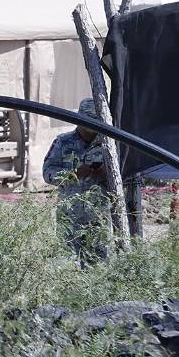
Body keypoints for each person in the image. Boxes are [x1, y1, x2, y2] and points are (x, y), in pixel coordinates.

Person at [42, 97, 110, 265]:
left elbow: (121, 175)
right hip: (70, 217)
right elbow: (47, 173)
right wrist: (73, 174)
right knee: (67, 265)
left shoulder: (108, 144)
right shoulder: (63, 142)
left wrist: (105, 174)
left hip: (98, 217)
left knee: (97, 265)